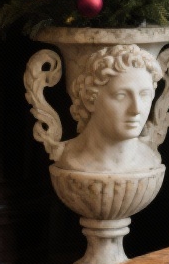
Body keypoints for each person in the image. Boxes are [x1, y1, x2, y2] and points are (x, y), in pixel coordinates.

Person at [55, 44, 163, 174]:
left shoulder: (149, 159)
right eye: (121, 96)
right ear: (90, 99)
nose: (136, 109)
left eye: (144, 95)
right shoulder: (70, 158)